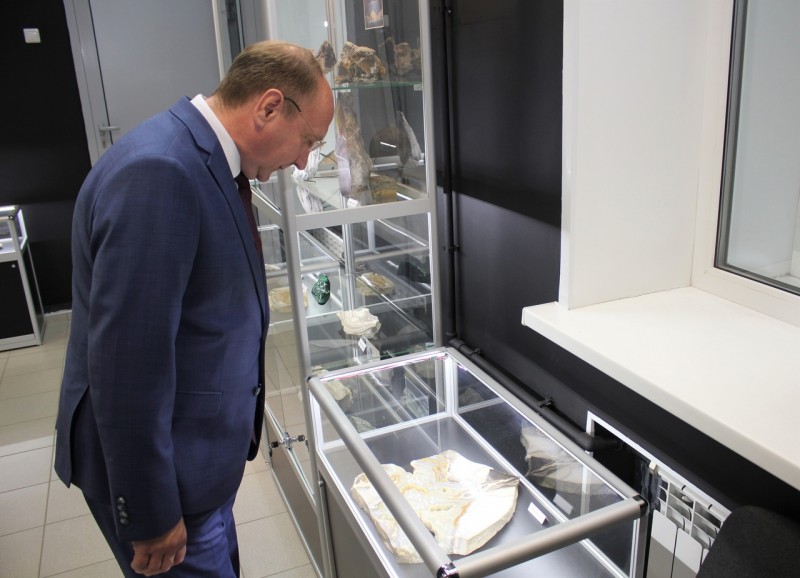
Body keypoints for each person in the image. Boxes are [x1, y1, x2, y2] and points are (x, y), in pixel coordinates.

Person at [54, 40, 334, 577]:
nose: (303, 161)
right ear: (269, 107)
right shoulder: (161, 172)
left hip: (199, 464)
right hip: (167, 484)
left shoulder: (204, 160)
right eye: (308, 141)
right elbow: (127, 366)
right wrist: (152, 513)